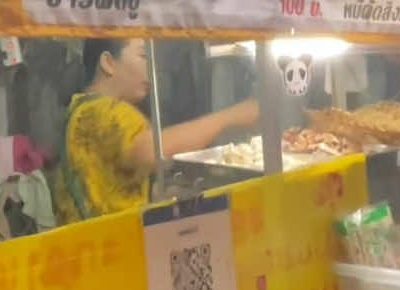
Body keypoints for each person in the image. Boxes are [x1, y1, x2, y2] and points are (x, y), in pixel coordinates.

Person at [53, 38, 262, 224]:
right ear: (108, 63)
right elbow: (151, 151)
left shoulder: (80, 110)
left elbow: (111, 185)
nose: (152, 68)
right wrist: (234, 116)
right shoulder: (102, 111)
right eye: (144, 56)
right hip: (110, 252)